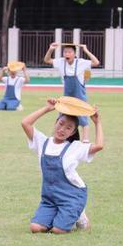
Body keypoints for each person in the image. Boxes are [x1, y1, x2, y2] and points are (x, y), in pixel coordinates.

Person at [21, 99, 104, 234]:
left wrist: (97, 122)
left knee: (58, 230)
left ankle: (79, 213)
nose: (62, 129)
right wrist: (47, 108)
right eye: (61, 124)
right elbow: (25, 123)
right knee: (35, 228)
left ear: (72, 133)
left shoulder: (75, 147)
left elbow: (99, 145)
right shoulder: (42, 142)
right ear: (55, 123)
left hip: (72, 196)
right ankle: (60, 214)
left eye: (68, 128)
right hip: (50, 197)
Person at [43, 43, 100, 142]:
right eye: (65, 52)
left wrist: (86, 50)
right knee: (62, 116)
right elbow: (47, 60)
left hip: (79, 95)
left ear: (74, 53)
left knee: (83, 116)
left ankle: (85, 138)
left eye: (69, 52)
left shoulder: (81, 62)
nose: (67, 54)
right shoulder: (61, 62)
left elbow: (96, 62)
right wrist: (51, 49)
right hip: (67, 95)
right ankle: (56, 136)